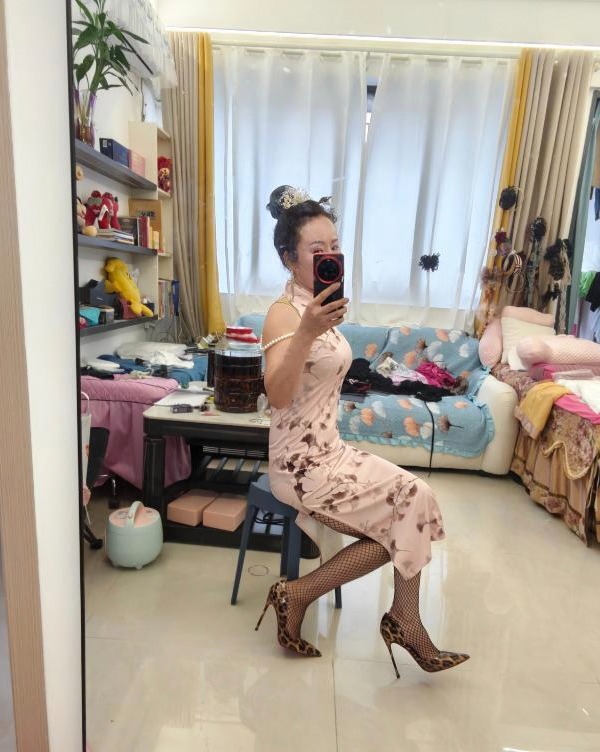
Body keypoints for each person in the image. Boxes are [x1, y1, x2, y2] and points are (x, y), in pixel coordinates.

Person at [255, 185, 469, 678]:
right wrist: (306, 331)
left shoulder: (321, 303)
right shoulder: (284, 314)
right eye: (316, 249)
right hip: (301, 465)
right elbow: (278, 395)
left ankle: (386, 613)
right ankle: (376, 615)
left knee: (415, 498)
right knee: (399, 521)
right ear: (289, 258)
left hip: (331, 451)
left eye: (335, 247)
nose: (330, 257)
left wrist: (318, 325)